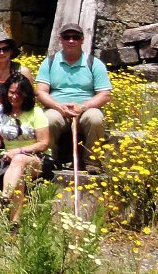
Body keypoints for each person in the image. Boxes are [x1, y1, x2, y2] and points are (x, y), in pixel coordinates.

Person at [36, 22, 112, 169]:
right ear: (60, 39)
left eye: (75, 37)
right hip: (58, 109)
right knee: (47, 119)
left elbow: (104, 94)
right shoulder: (49, 62)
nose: (71, 41)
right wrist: (58, 106)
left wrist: (82, 107)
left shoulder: (94, 63)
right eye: (67, 37)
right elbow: (41, 92)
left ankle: (92, 161)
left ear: (82, 39)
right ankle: (48, 160)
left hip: (85, 110)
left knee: (96, 118)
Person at [0, 74, 50, 226]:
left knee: (19, 159)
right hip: (9, 160)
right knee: (19, 177)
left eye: (19, 93)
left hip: (35, 158)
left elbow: (43, 143)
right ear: (6, 92)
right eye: (11, 92)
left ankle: (4, 198)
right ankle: (14, 224)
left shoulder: (36, 113)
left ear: (26, 95)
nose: (15, 96)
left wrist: (18, 151)